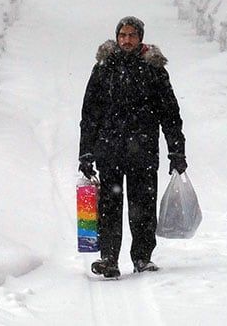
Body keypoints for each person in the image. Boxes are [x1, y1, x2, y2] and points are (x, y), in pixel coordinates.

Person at [78, 15, 187, 278]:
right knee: (109, 207)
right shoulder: (104, 68)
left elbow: (170, 113)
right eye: (122, 35)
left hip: (144, 152)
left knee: (143, 206)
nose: (126, 40)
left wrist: (177, 150)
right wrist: (86, 152)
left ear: (140, 38)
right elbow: (90, 113)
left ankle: (142, 257)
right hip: (109, 150)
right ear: (117, 38)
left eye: (132, 35)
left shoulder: (154, 69)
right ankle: (109, 258)